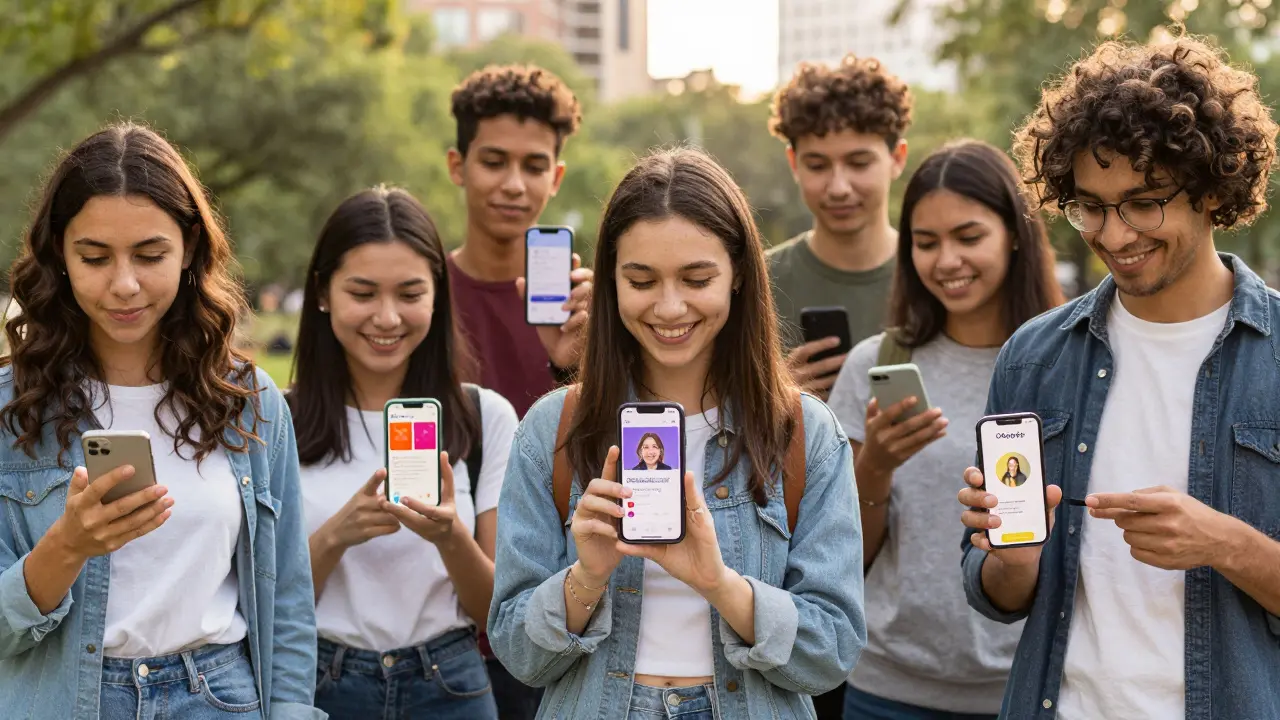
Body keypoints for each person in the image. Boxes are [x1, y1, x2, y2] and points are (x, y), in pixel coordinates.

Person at [957, 36, 1280, 718]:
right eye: (1092, 206)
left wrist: (1224, 544)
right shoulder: (1033, 357)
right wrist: (1013, 558)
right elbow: (997, 596)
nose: (1114, 233)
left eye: (1144, 200)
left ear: (1212, 187)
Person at [488, 147, 865, 719]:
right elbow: (519, 655)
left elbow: (832, 652)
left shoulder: (803, 432)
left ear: (738, 275)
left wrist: (719, 584)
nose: (669, 307)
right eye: (641, 280)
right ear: (610, 283)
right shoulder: (554, 429)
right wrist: (585, 578)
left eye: (696, 278)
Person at [0, 123, 319, 719]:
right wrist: (67, 547)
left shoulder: (249, 400)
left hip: (218, 697)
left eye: (150, 255)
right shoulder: (10, 411)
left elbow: (287, 602)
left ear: (190, 248)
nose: (124, 285)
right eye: (94, 257)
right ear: (59, 257)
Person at [828, 140, 1064, 720]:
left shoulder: (1067, 366)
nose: (946, 261)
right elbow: (839, 556)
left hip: (1030, 687)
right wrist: (875, 466)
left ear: (1013, 232)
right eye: (926, 243)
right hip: (887, 690)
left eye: (968, 236)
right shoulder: (874, 365)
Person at [288, 187, 518, 719]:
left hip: (452, 686)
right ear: (323, 293)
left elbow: (497, 616)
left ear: (437, 294)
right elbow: (268, 608)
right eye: (363, 293)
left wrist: (449, 535)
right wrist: (334, 536)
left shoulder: (486, 419)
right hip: (321, 685)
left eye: (410, 293)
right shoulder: (277, 420)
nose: (387, 318)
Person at [446, 64, 593, 420]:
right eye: (494, 162)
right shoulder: (421, 294)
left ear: (556, 177)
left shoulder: (583, 311)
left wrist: (580, 361)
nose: (514, 185)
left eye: (534, 167)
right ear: (457, 166)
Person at [767, 54, 911, 411]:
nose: (839, 187)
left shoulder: (938, 272)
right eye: (817, 165)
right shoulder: (758, 280)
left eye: (859, 163)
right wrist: (774, 393)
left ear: (897, 158)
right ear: (793, 163)